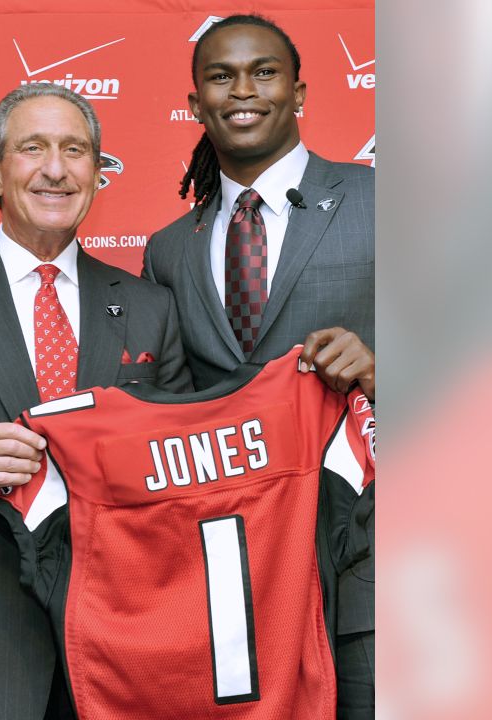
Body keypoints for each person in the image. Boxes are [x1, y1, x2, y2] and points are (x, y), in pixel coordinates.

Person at [141, 14, 376, 717]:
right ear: (195, 104)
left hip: (374, 565)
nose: (243, 89)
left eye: (264, 72)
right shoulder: (167, 251)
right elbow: (169, 410)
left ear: (300, 92)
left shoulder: (377, 201)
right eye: (220, 75)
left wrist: (383, 366)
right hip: (237, 587)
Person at [0, 82, 193, 720]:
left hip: (124, 649)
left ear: (97, 173)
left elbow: (179, 472)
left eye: (75, 151)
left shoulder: (150, 307)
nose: (55, 169)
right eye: (32, 148)